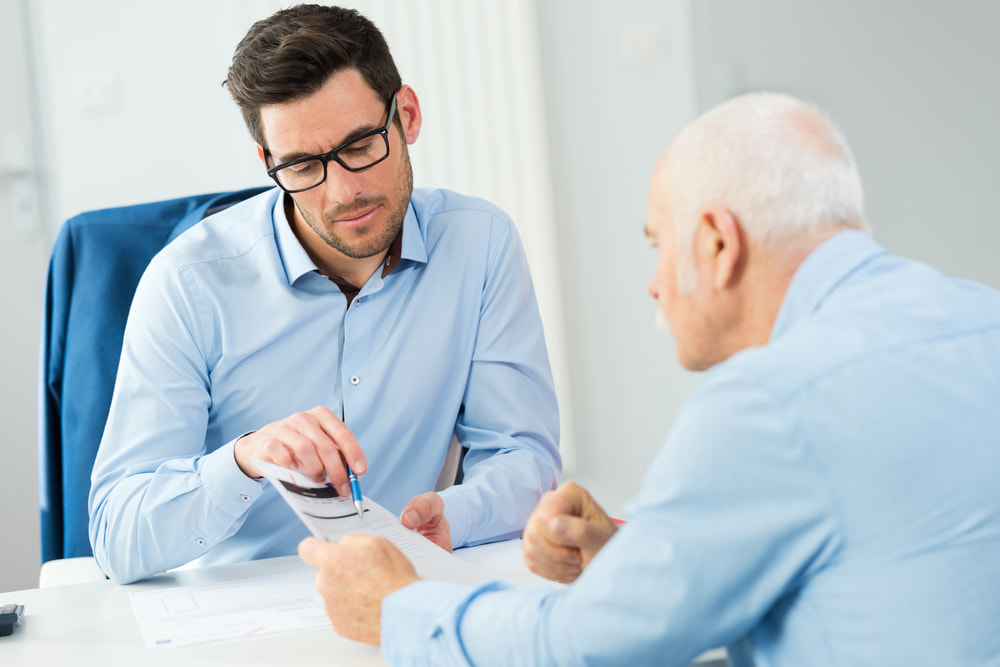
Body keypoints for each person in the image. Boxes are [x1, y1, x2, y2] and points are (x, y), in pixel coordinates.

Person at [298, 91, 1000, 665]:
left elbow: (584, 647)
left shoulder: (770, 402)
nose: (655, 285)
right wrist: (643, 556)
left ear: (718, 244)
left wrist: (397, 608)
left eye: (659, 245)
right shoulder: (981, 319)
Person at [88, 4, 561, 584]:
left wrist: (452, 515)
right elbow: (118, 536)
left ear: (406, 116)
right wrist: (245, 459)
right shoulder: (187, 284)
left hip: (411, 590)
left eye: (361, 144)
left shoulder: (480, 244)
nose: (344, 192)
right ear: (269, 163)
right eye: (304, 165)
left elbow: (524, 457)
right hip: (244, 619)